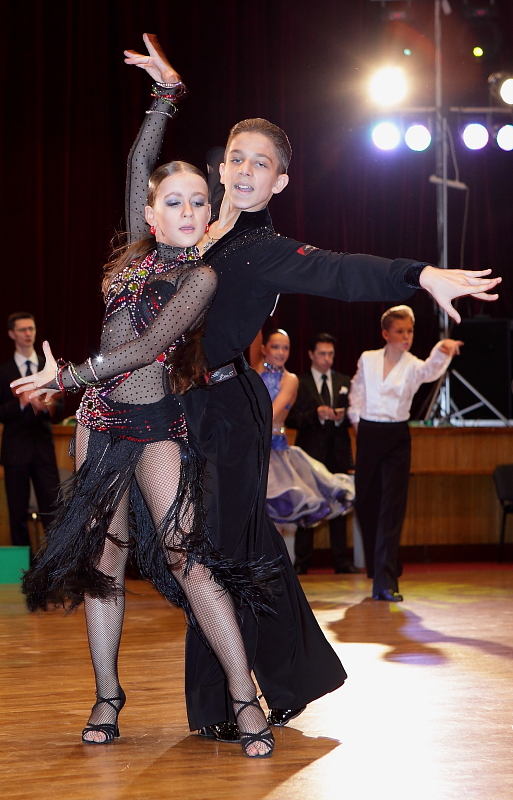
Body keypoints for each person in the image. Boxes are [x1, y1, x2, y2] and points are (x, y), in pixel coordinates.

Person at [124, 34, 500, 739]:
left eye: (261, 164)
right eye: (237, 157)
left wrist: (417, 274)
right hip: (176, 412)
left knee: (217, 554)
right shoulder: (189, 229)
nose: (245, 170)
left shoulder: (263, 251)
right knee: (225, 551)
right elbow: (137, 186)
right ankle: (285, 679)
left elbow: (338, 269)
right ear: (221, 165)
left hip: (227, 411)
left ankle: (229, 701)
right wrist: (164, 98)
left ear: (279, 183)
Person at [11, 158, 277, 758]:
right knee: (104, 558)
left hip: (156, 425)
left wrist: (66, 376)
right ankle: (107, 695)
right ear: (151, 216)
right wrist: (163, 106)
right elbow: (137, 165)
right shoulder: (133, 258)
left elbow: (149, 346)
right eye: (174, 202)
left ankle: (244, 697)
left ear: (211, 213)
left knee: (188, 559)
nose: (189, 211)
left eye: (200, 201)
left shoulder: (200, 277)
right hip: (98, 424)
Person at [347, 305, 463, 602]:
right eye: (400, 331)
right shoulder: (368, 358)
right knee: (366, 502)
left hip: (397, 436)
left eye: (410, 331)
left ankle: (386, 581)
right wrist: (356, 420)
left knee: (392, 507)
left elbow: (429, 371)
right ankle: (380, 566)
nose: (406, 336)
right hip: (369, 433)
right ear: (386, 334)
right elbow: (356, 390)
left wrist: (442, 350)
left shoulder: (413, 365)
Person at [257, 329, 353, 538]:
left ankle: (275, 560)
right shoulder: (252, 375)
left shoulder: (290, 379)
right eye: (275, 347)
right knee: (253, 518)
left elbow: (269, 414)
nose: (281, 352)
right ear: (263, 349)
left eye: (285, 348)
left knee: (276, 517)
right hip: (252, 451)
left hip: (276, 453)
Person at [0, 312, 64, 549]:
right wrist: (20, 403)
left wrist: (49, 406)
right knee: (17, 513)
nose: (28, 334)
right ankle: (23, 565)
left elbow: (62, 407)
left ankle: (55, 563)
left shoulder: (47, 367)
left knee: (53, 510)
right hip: (15, 451)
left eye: (31, 329)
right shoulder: (1, 372)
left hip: (43, 449)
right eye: (22, 329)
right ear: (12, 334)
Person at [286, 333, 357, 574]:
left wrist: (340, 417)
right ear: (311, 355)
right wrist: (316, 414)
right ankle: (302, 561)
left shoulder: (344, 380)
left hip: (338, 453)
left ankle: (342, 561)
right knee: (307, 504)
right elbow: (291, 418)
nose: (327, 359)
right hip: (310, 453)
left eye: (331, 354)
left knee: (340, 505)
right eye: (322, 354)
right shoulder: (299, 382)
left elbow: (355, 414)